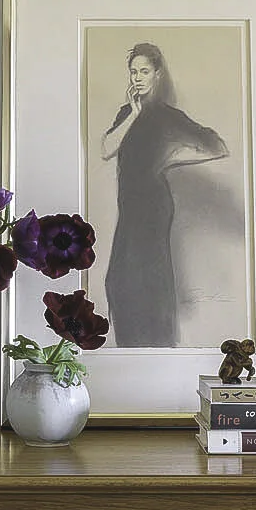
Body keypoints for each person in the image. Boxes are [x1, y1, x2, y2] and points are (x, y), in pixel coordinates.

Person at [100, 43, 228, 346]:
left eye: (145, 71)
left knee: (147, 281)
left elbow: (217, 146)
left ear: (157, 74)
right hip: (130, 207)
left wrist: (172, 158)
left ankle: (156, 347)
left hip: (154, 207)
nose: (138, 78)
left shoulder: (168, 116)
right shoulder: (126, 113)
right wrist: (133, 113)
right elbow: (106, 149)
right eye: (133, 72)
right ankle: (133, 349)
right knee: (119, 282)